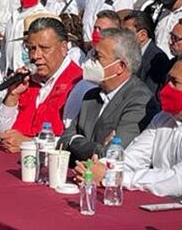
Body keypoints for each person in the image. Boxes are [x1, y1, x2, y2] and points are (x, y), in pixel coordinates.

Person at [75, 52, 182, 199]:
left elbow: (179, 181)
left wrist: (113, 177)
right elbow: (134, 157)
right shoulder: (166, 116)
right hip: (157, 204)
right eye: (167, 79)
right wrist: (99, 166)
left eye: (174, 82)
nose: (166, 87)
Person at [58, 28, 157, 162]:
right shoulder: (91, 96)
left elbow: (112, 155)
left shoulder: (140, 101)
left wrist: (75, 141)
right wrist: (82, 142)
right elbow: (63, 142)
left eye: (98, 57)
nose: (91, 61)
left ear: (120, 66)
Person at [0, 17, 84, 152]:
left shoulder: (78, 84)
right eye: (31, 48)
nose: (35, 55)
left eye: (44, 48)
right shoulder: (26, 79)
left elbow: (74, 141)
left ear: (64, 48)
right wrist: (12, 95)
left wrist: (29, 143)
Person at [2, 0, 55, 74]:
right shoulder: (14, 14)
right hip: (8, 69)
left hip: (27, 70)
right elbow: (5, 44)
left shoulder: (42, 16)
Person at [122, 10, 170, 93]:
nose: (122, 36)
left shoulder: (157, 60)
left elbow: (148, 93)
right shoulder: (126, 52)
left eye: (127, 32)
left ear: (142, 35)